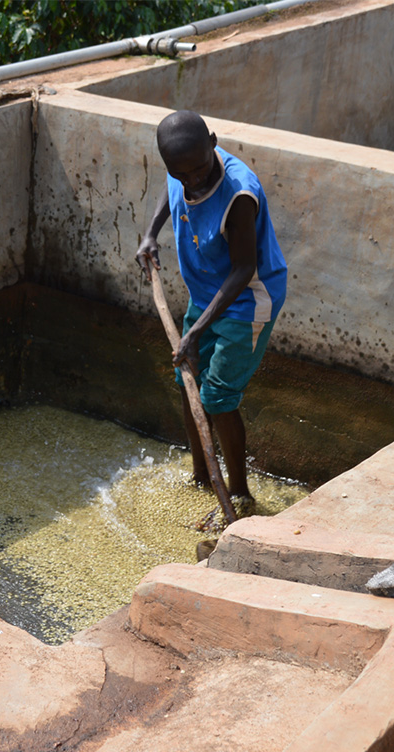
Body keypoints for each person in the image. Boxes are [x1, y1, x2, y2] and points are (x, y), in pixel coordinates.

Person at [135, 110, 287, 515]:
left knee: (217, 397)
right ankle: (202, 475)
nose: (193, 181)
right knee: (189, 381)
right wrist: (151, 234)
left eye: (200, 171)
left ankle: (239, 493)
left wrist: (196, 331)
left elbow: (243, 270)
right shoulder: (184, 167)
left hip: (247, 299)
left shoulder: (238, 194)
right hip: (207, 293)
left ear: (214, 142)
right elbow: (171, 189)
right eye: (182, 175)